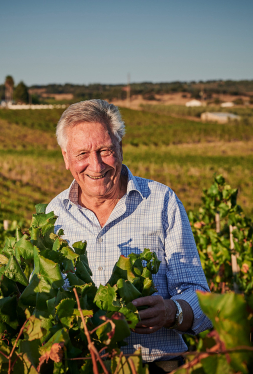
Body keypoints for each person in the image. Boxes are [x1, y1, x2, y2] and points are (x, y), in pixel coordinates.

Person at [45, 99, 212, 373]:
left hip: (157, 366)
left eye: (105, 150)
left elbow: (200, 296)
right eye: (82, 154)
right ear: (66, 158)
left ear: (120, 147)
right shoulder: (54, 214)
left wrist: (172, 312)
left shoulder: (161, 201)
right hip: (80, 366)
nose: (96, 166)